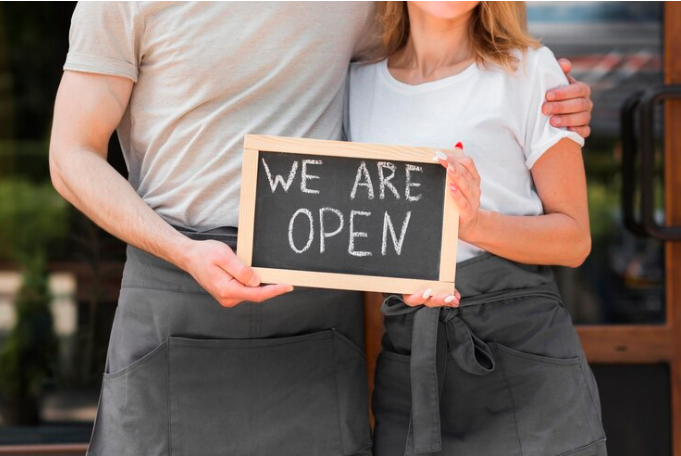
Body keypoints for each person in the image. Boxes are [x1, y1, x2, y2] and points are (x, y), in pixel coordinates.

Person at [49, 2, 594, 455]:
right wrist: (184, 251)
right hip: (176, 287)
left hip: (316, 310)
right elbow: (70, 155)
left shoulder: (363, 9)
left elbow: (454, 47)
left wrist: (549, 90)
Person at [345, 2, 606, 456]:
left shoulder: (529, 70)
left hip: (520, 349)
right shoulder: (356, 84)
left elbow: (574, 239)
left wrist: (475, 224)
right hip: (410, 354)